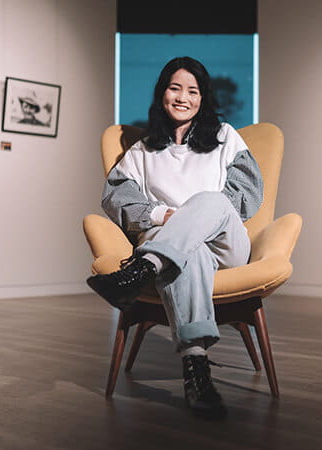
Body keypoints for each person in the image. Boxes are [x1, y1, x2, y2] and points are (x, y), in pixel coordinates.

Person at [87, 56, 263, 419]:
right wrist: (158, 214)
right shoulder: (142, 150)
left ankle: (142, 267)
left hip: (225, 244)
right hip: (179, 248)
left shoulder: (225, 137)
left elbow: (247, 195)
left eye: (192, 90)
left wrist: (192, 217)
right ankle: (196, 368)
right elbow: (117, 197)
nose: (183, 97)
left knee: (211, 201)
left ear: (203, 98)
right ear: (162, 93)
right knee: (188, 252)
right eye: (175, 87)